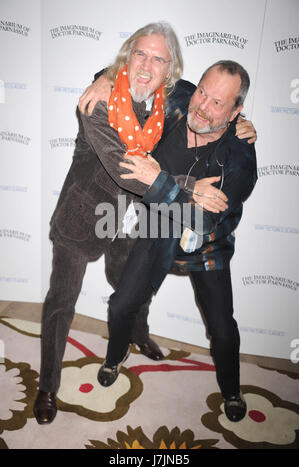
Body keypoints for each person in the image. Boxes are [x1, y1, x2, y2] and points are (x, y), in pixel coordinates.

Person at [33, 21, 256, 425]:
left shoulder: (172, 107)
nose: (146, 65)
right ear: (127, 58)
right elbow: (126, 171)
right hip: (84, 217)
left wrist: (244, 126)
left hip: (151, 227)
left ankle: (144, 339)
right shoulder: (100, 103)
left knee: (138, 294)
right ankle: (47, 385)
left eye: (158, 59)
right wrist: (101, 78)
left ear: (168, 72)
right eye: (140, 54)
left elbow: (213, 114)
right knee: (62, 303)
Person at [96, 60, 258, 424]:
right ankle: (114, 356)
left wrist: (159, 181)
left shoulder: (241, 159)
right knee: (121, 303)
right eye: (203, 92)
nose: (202, 106)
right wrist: (100, 83)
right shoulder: (177, 96)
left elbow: (201, 220)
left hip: (207, 240)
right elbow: (129, 72)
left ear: (236, 111)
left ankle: (231, 389)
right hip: (158, 227)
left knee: (221, 325)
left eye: (218, 103)